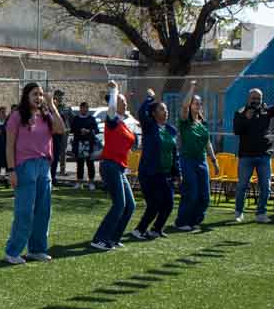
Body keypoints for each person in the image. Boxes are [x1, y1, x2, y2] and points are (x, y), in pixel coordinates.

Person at [3, 82, 65, 264]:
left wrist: (52, 105)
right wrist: (11, 170)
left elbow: (60, 128)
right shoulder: (16, 116)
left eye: (40, 94)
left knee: (43, 211)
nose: (38, 98)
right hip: (24, 167)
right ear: (26, 96)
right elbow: (9, 146)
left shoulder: (46, 116)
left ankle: (37, 249)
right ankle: (13, 251)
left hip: (44, 166)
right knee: (24, 212)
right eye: (34, 94)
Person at [232, 80, 274, 223]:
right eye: (253, 98)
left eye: (258, 98)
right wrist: (246, 118)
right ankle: (239, 212)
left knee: (266, 186)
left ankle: (261, 213)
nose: (256, 101)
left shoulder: (266, 111)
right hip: (246, 156)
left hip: (264, 156)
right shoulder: (240, 112)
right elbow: (236, 131)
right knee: (242, 186)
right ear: (248, 99)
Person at [91, 81, 136, 251]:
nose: (124, 103)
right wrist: (113, 90)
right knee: (119, 204)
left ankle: (113, 238)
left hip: (120, 167)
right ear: (114, 103)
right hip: (110, 166)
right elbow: (111, 109)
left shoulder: (123, 123)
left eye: (124, 101)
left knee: (130, 206)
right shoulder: (112, 120)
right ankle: (99, 239)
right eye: (120, 100)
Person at [131, 89, 179, 240]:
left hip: (166, 174)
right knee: (155, 204)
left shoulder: (171, 130)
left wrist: (178, 173)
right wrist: (149, 98)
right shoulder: (149, 127)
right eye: (162, 109)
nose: (166, 112)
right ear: (153, 113)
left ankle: (156, 229)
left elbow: (174, 153)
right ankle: (139, 230)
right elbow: (141, 113)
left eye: (166, 109)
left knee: (169, 203)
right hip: (150, 173)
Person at [174, 81, 219, 231]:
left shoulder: (203, 123)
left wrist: (214, 160)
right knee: (191, 192)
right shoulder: (185, 121)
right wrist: (192, 87)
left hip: (201, 161)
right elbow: (184, 106)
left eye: (199, 104)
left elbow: (208, 143)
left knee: (205, 195)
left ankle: (195, 220)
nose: (197, 106)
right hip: (187, 160)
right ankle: (182, 222)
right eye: (195, 103)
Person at [70, 101, 98, 190]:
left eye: (85, 108)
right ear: (80, 109)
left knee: (90, 163)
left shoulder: (92, 119)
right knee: (80, 163)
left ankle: (91, 182)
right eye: (82, 108)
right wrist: (79, 131)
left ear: (87, 109)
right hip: (79, 143)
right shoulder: (76, 119)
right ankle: (79, 182)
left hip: (89, 144)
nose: (84, 109)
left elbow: (96, 130)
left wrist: (88, 131)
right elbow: (72, 129)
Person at [50, 90, 72, 183]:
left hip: (64, 132)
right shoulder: (51, 107)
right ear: (55, 96)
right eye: (59, 95)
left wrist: (69, 128)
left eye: (62, 96)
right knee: (52, 153)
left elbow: (72, 118)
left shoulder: (66, 108)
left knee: (62, 151)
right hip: (53, 133)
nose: (61, 97)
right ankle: (51, 173)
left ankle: (62, 169)